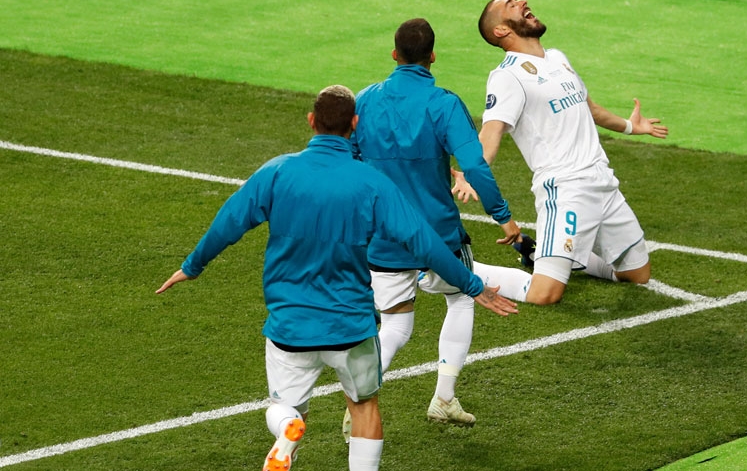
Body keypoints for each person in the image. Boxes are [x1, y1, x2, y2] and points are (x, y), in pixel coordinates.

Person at [156, 85, 517, 471]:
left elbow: (228, 222)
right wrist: (472, 285)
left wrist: (192, 266)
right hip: (351, 327)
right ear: (355, 124)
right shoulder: (373, 183)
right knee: (364, 408)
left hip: (290, 325)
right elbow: (425, 243)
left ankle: (288, 427)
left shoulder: (277, 172)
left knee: (283, 407)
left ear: (311, 121)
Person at [349, 18, 521, 431]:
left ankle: (359, 401)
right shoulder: (444, 104)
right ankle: (444, 397)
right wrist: (502, 216)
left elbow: (348, 161)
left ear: (394, 55)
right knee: (461, 298)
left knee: (395, 324)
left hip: (383, 237)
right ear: (433, 56)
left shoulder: (365, 100)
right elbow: (474, 165)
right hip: (439, 235)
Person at [469, 0, 669, 305]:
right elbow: (491, 132)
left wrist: (631, 127)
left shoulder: (557, 57)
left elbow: (591, 108)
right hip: (565, 188)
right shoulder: (507, 76)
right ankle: (457, 268)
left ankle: (541, 252)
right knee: (544, 294)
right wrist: (473, 170)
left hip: (603, 182)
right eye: (510, 4)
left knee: (636, 274)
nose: (522, 1)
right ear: (501, 31)